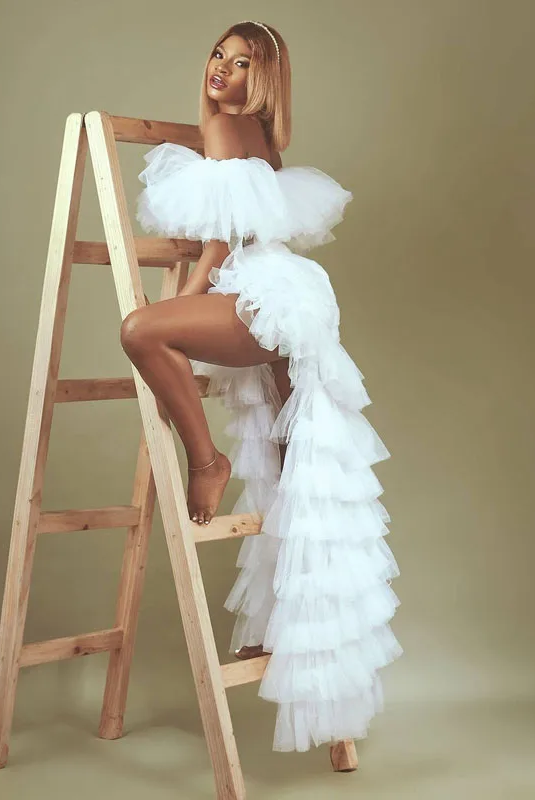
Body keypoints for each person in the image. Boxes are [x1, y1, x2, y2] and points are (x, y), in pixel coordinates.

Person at [124, 20, 402, 754]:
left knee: (143, 331)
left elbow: (221, 240)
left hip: (263, 294)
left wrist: (181, 299)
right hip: (291, 293)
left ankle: (206, 460)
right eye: (219, 54)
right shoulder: (259, 138)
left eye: (242, 63)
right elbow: (236, 228)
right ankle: (294, 638)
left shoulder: (224, 129)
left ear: (264, 80)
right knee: (289, 471)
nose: (222, 68)